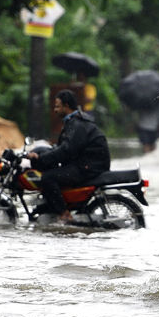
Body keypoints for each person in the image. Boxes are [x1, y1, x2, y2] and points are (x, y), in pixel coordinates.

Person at [27, 89, 110, 223]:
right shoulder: (73, 122)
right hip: (86, 163)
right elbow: (64, 148)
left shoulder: (76, 124)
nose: (55, 110)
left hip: (89, 166)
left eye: (57, 106)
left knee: (48, 178)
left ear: (66, 106)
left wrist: (42, 158)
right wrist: (42, 153)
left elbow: (66, 150)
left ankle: (64, 213)